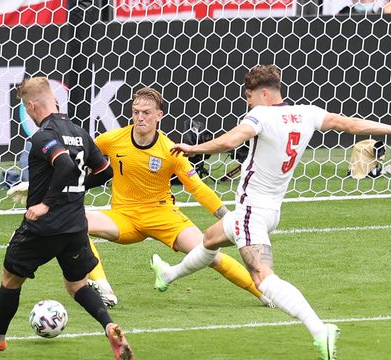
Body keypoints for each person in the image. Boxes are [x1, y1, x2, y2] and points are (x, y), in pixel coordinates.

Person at [156, 64, 391, 360]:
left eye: (249, 97)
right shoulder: (307, 112)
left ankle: (319, 328)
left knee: (263, 278)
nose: (247, 104)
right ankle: (169, 275)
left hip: (253, 213)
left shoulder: (260, 115)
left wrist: (192, 148)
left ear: (262, 94)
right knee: (210, 238)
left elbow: (230, 141)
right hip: (270, 211)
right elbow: (352, 125)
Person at [0, 77, 133, 360]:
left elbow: (65, 165)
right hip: (75, 225)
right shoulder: (80, 133)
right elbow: (104, 172)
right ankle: (109, 326)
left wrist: (46, 202)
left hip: (44, 227)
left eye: (27, 109)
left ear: (32, 106)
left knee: (11, 278)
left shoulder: (44, 136)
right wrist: (73, 190)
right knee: (77, 285)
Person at [84, 87, 272, 308]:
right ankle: (104, 287)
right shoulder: (112, 140)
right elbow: (84, 154)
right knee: (77, 223)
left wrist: (228, 217)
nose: (139, 117)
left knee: (211, 255)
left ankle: (264, 293)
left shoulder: (170, 150)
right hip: (123, 217)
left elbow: (197, 188)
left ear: (159, 116)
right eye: (135, 112)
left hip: (163, 216)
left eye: (146, 112)